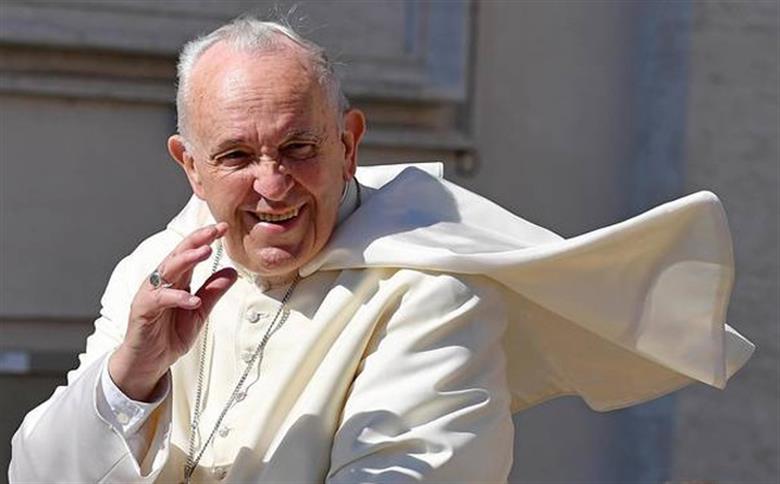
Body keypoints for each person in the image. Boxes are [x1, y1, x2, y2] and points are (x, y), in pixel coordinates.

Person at [9, 17, 753, 483]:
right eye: (236, 156)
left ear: (348, 144)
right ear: (189, 165)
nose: (273, 185)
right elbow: (37, 472)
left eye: (299, 148)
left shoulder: (432, 289)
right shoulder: (156, 272)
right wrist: (132, 375)